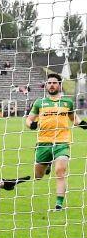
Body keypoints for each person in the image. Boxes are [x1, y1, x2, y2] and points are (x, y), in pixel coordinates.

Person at [26, 73, 87, 211]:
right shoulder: (39, 102)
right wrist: (32, 125)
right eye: (49, 83)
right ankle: (46, 165)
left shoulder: (67, 102)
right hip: (43, 143)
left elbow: (74, 119)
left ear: (59, 85)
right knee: (38, 176)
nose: (51, 85)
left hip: (62, 142)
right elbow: (28, 120)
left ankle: (59, 205)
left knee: (60, 171)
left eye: (54, 83)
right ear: (46, 85)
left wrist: (83, 124)